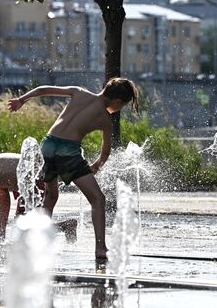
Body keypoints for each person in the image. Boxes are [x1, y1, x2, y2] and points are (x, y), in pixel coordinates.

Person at [8, 77, 139, 262]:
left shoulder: (79, 92)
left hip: (47, 145)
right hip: (67, 151)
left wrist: (21, 100)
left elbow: (44, 89)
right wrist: (96, 166)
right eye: (122, 106)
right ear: (118, 102)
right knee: (98, 199)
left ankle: (42, 242)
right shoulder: (105, 120)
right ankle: (100, 247)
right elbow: (105, 152)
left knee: (50, 197)